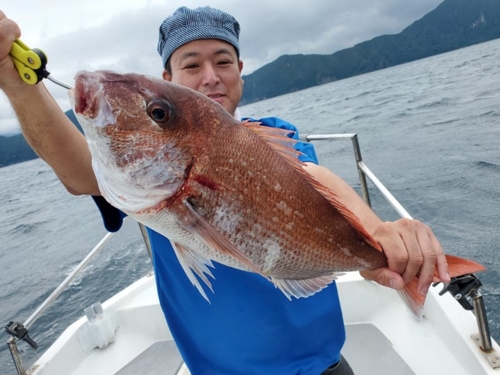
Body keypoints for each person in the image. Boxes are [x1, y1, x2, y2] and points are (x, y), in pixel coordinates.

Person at [0, 6, 450, 375]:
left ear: (241, 71)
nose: (210, 76)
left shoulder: (276, 136)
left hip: (324, 366)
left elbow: (317, 179)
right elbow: (80, 173)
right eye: (191, 64)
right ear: (169, 76)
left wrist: (378, 235)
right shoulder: (135, 177)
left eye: (223, 61)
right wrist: (13, 78)